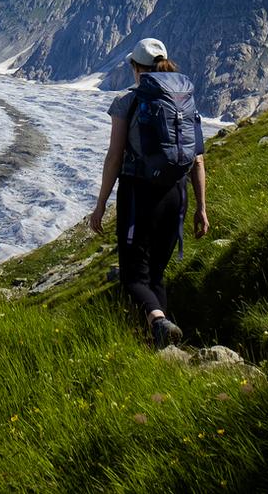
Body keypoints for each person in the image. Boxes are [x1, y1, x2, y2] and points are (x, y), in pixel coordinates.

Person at [88, 37, 209, 349]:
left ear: (134, 67)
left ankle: (157, 320)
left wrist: (101, 204)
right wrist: (201, 208)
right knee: (156, 274)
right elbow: (197, 159)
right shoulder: (185, 100)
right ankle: (165, 345)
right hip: (177, 195)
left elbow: (114, 157)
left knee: (132, 277)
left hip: (139, 195)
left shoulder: (128, 102)